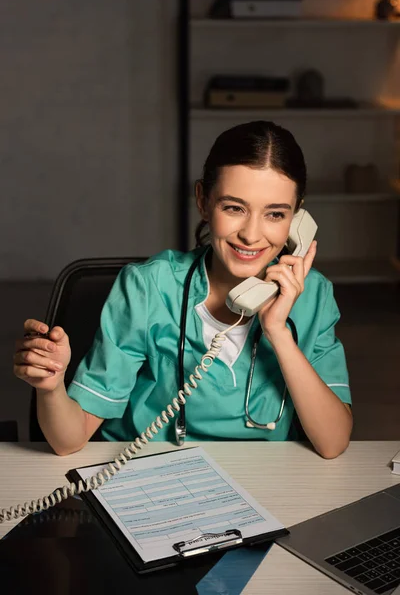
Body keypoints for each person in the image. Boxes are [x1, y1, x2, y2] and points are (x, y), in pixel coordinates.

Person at [13, 121, 352, 458]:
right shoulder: (148, 287)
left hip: (265, 481)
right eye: (234, 208)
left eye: (275, 215)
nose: (251, 234)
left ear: (297, 219)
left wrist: (277, 332)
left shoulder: (315, 295)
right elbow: (68, 440)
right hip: (152, 473)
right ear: (204, 201)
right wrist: (51, 388)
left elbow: (333, 443)